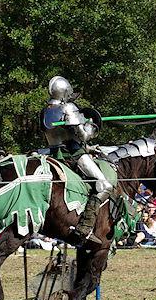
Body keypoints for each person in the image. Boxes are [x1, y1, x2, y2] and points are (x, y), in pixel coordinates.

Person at [40, 75, 111, 246]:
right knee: (104, 185)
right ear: (65, 93)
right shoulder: (68, 108)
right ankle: (85, 228)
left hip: (51, 152)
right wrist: (92, 125)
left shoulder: (45, 111)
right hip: (71, 154)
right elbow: (84, 136)